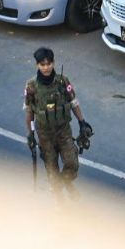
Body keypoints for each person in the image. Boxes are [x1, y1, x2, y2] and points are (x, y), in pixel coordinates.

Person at [24, 47, 92, 203]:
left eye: (49, 64)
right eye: (42, 64)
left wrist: (82, 122)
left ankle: (63, 183)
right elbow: (29, 111)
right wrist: (30, 134)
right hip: (44, 134)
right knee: (51, 168)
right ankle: (59, 198)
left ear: (53, 63)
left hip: (63, 131)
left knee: (72, 163)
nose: (46, 67)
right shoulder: (31, 86)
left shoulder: (63, 81)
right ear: (37, 66)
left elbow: (73, 102)